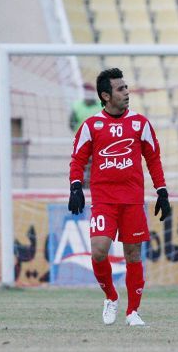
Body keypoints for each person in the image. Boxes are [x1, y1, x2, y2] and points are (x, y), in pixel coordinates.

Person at [68, 67, 171, 327]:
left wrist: (162, 190)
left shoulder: (140, 123)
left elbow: (153, 158)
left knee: (133, 255)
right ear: (106, 96)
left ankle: (132, 312)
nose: (127, 92)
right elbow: (78, 159)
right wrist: (76, 186)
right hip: (104, 199)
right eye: (120, 89)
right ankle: (111, 296)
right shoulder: (91, 125)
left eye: (126, 87)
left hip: (133, 200)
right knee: (99, 251)